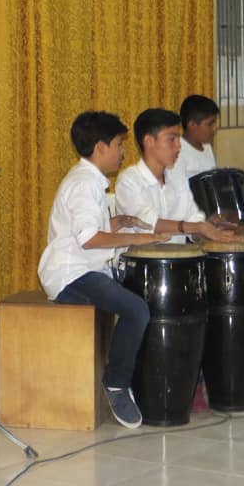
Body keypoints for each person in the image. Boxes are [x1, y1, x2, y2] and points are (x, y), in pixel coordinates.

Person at [38, 111, 170, 429]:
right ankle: (116, 383)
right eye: (119, 144)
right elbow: (88, 240)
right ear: (100, 147)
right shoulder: (84, 184)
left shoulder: (89, 180)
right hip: (71, 275)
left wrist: (115, 223)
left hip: (85, 269)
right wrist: (138, 237)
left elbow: (86, 230)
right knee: (137, 310)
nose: (123, 151)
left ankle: (135, 373)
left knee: (138, 297)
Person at [114, 108, 235, 245]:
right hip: (139, 258)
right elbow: (145, 223)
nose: (178, 146)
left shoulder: (177, 176)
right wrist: (197, 227)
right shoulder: (128, 181)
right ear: (149, 141)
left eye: (179, 139)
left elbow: (193, 221)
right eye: (171, 139)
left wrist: (209, 230)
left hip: (178, 257)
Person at [173, 94, 219, 179]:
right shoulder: (177, 153)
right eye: (210, 124)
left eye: (215, 123)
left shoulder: (207, 146)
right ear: (192, 125)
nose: (215, 128)